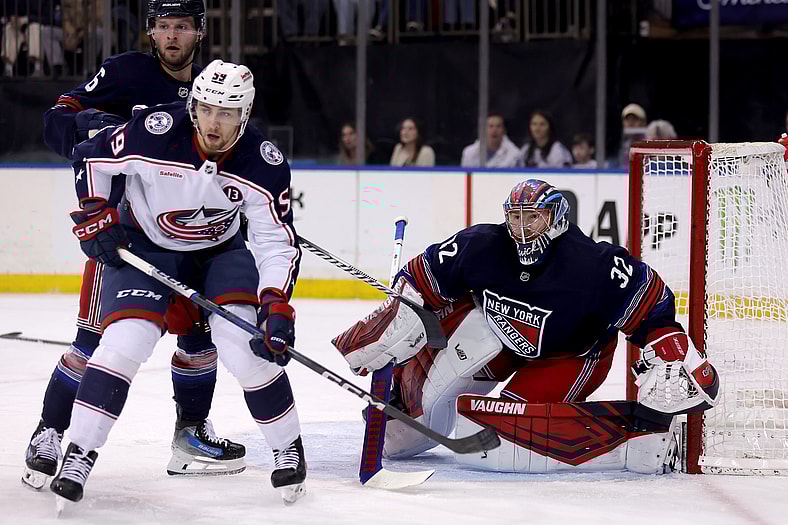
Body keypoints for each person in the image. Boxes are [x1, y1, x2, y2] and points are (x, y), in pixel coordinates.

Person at [330, 179, 720, 474]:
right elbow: (421, 276)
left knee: (501, 440)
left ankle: (628, 444)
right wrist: (398, 316)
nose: (522, 227)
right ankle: (405, 395)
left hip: (570, 356)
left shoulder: (591, 265)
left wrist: (671, 352)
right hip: (499, 338)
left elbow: (652, 303)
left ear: (556, 218)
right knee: (401, 436)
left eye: (533, 217)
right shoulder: (483, 245)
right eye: (515, 217)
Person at [49, 60, 307, 505]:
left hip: (219, 253)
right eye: (205, 109)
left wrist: (276, 304)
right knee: (123, 342)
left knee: (243, 345)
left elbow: (274, 243)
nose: (213, 123)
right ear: (193, 106)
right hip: (147, 246)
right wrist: (96, 212)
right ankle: (80, 453)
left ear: (244, 115)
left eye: (226, 113)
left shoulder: (263, 162)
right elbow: (91, 157)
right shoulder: (156, 131)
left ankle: (288, 449)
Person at [24, 0, 245, 492]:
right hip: (126, 236)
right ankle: (49, 432)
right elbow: (59, 119)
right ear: (150, 32)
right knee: (92, 343)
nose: (172, 36)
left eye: (181, 27)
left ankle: (190, 435)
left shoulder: (215, 85)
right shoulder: (125, 73)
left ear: (199, 32)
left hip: (193, 240)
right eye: (163, 27)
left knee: (199, 342)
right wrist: (90, 126)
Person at [616, 103, 648, 168]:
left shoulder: (649, 142)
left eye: (635, 119)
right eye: (627, 119)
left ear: (643, 122)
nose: (630, 122)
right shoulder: (620, 142)